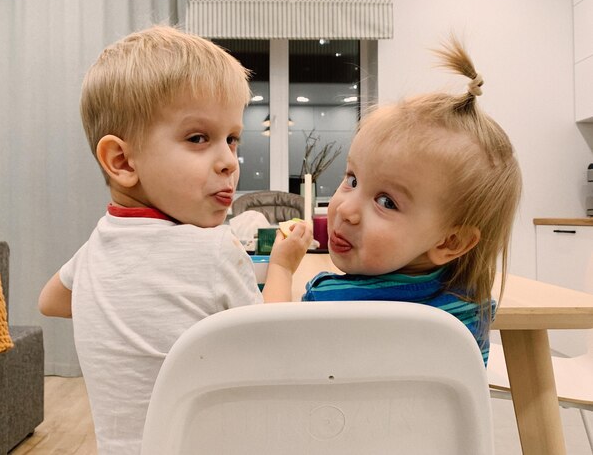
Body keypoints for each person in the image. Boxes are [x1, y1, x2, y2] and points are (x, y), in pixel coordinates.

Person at [38, 25, 312, 454]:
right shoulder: (214, 248)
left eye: (232, 139)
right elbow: (276, 346)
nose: (228, 161)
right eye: (198, 138)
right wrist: (281, 266)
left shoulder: (96, 247)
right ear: (123, 160)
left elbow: (50, 302)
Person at [302, 37, 522, 366]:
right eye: (352, 180)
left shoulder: (329, 300)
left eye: (386, 202)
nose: (346, 210)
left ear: (451, 241)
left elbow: (269, 348)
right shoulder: (471, 307)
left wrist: (278, 268)